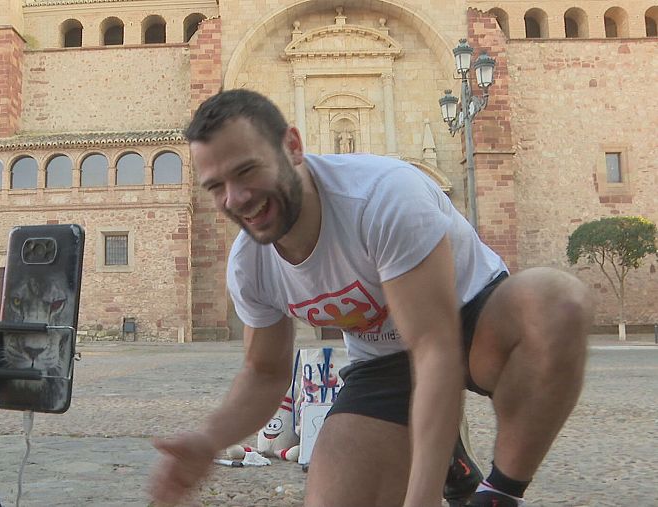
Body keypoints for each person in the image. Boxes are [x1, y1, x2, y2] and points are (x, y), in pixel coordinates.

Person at [148, 89, 593, 507]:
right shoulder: (250, 264)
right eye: (216, 186)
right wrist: (208, 439)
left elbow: (436, 351)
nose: (237, 198)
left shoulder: (382, 197)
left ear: (292, 147)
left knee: (557, 304)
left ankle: (499, 493)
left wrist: (420, 499)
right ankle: (445, 453)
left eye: (247, 170)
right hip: (385, 362)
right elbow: (265, 373)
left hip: (474, 320)